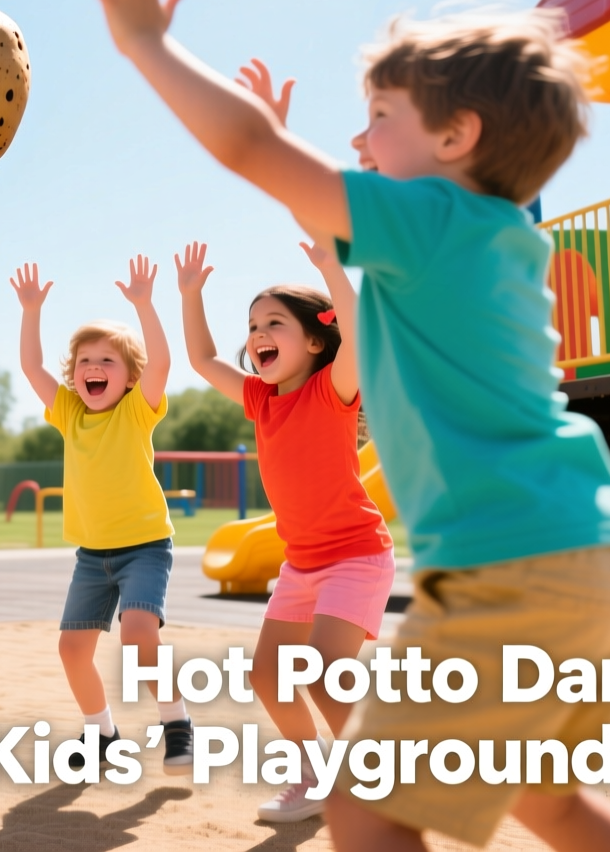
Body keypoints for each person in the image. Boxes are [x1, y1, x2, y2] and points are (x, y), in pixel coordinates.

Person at [81, 0, 610, 850]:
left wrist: (148, 44)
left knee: (366, 803)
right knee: (544, 802)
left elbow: (245, 150)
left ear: (457, 137)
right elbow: (319, 239)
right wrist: (283, 160)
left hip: (516, 565)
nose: (357, 137)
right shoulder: (479, 239)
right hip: (587, 557)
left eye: (380, 115)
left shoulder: (432, 220)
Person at [176, 236, 393, 823]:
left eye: (274, 322)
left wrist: (330, 268)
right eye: (252, 326)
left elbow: (360, 331)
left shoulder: (333, 390)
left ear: (317, 341)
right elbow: (200, 359)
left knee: (323, 675)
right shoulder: (260, 398)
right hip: (302, 564)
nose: (257, 334)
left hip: (356, 556)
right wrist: (191, 295)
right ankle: (314, 773)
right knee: (268, 678)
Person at [11, 256, 195, 777]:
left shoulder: (137, 410)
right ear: (75, 375)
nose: (94, 368)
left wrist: (143, 304)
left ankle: (177, 725)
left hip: (144, 547)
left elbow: (161, 364)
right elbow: (31, 367)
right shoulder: (69, 413)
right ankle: (103, 736)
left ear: (130, 378)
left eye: (108, 361)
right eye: (86, 361)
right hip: (92, 556)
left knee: (139, 635)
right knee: (72, 650)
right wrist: (31, 312)